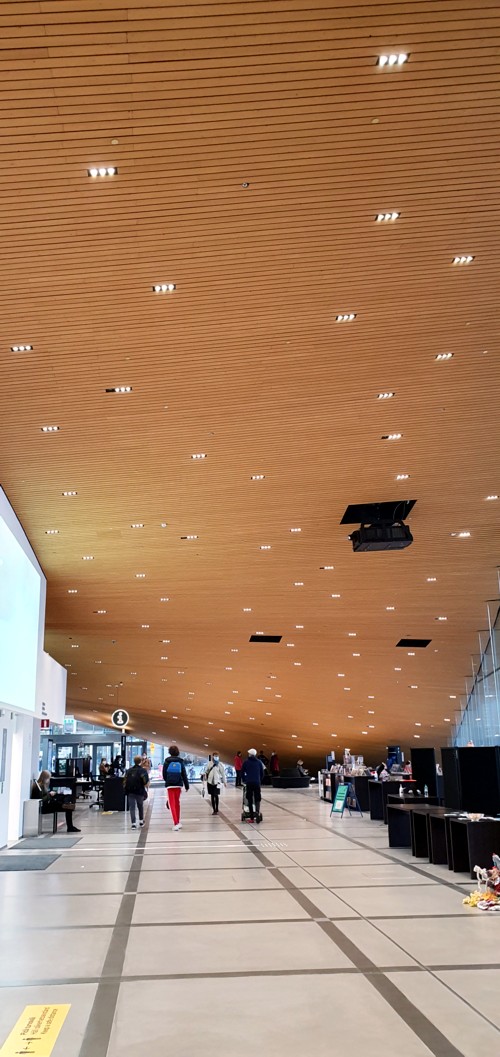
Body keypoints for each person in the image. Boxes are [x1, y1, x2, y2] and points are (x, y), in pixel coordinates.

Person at [162, 745, 189, 830]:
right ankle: (178, 822)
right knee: (177, 803)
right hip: (178, 785)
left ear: (169, 752)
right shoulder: (180, 762)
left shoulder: (167, 761)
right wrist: (187, 785)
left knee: (172, 804)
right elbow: (184, 774)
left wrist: (168, 780)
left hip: (170, 786)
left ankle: (176, 823)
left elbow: (164, 774)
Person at [123, 755, 149, 828]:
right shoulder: (142, 770)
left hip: (130, 791)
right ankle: (141, 821)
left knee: (132, 807)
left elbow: (124, 781)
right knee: (140, 806)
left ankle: (133, 823)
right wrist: (146, 788)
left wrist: (125, 789)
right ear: (141, 761)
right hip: (139, 791)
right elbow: (145, 781)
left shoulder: (129, 770)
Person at [241, 748, 264, 824]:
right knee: (257, 798)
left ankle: (251, 817)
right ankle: (257, 812)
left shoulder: (246, 762)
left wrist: (245, 779)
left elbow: (242, 772)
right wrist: (259, 780)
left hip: (249, 783)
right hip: (257, 783)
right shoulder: (259, 762)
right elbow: (262, 773)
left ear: (250, 754)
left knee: (249, 799)